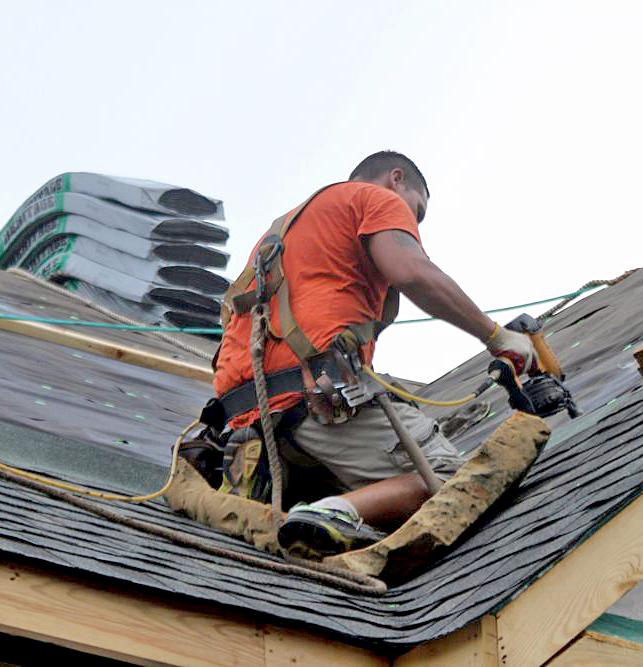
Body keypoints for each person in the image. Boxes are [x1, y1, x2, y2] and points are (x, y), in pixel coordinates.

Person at [211, 151, 537, 555]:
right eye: (416, 212)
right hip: (317, 400)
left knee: (386, 503)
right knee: (454, 478)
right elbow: (412, 272)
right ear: (396, 179)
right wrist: (498, 337)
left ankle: (319, 511)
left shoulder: (288, 232)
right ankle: (332, 512)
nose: (413, 224)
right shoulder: (373, 199)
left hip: (248, 421)